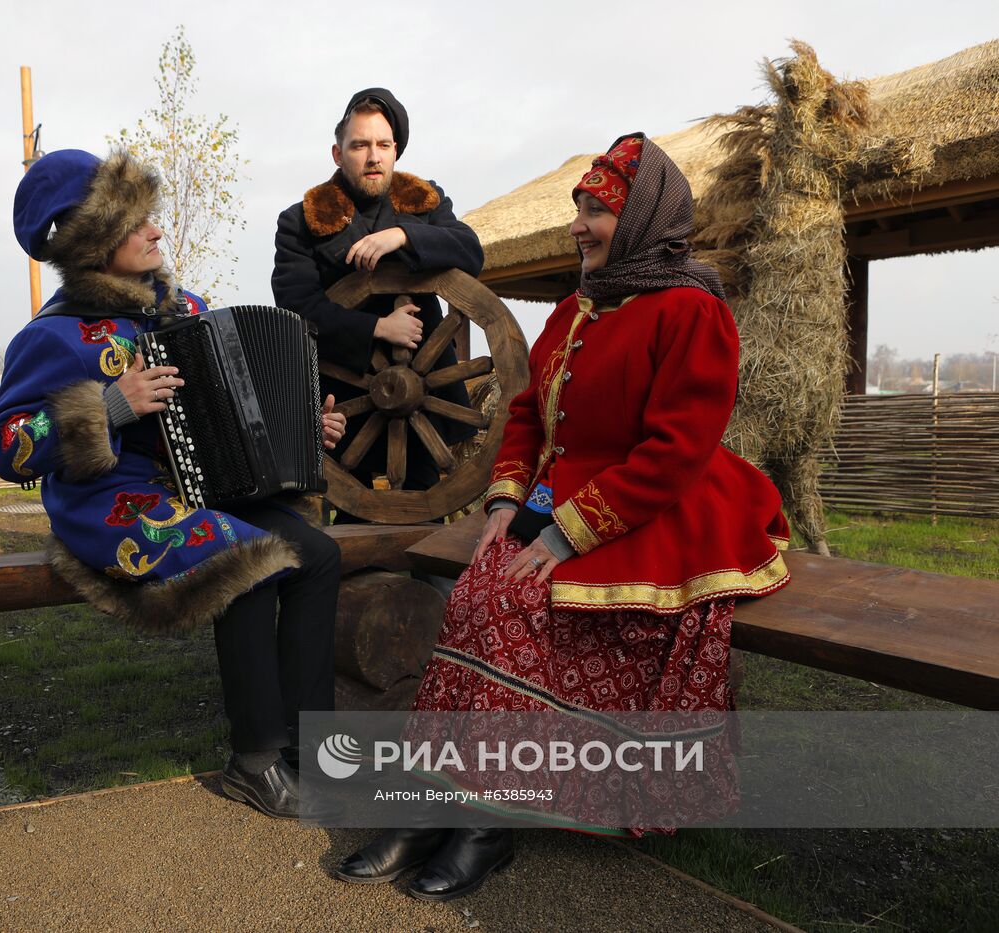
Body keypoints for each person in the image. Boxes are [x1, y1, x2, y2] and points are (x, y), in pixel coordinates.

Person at [334, 133, 791, 900]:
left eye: (597, 210)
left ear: (645, 218)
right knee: (476, 593)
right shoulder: (577, 310)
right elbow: (524, 415)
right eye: (577, 207)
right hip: (557, 495)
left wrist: (565, 531)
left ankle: (487, 825)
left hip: (661, 504)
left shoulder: (691, 310)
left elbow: (677, 449)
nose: (578, 224)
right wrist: (508, 499)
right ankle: (426, 802)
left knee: (517, 602)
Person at [0, 148, 348, 819]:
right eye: (134, 223)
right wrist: (109, 406)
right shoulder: (53, 337)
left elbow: (240, 401)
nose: (156, 231)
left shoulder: (187, 308)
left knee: (320, 555)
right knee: (242, 559)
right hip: (115, 504)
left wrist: (302, 423)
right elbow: (5, 446)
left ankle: (312, 750)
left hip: (202, 486)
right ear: (89, 244)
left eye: (151, 217)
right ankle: (256, 758)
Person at [273, 88, 483, 507]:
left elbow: (470, 251)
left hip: (424, 391)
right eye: (360, 145)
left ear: (396, 150)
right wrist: (378, 328)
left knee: (425, 508)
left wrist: (402, 235)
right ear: (337, 153)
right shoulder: (299, 221)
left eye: (383, 145)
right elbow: (297, 307)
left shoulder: (424, 202)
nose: (373, 157)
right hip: (344, 398)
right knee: (349, 511)